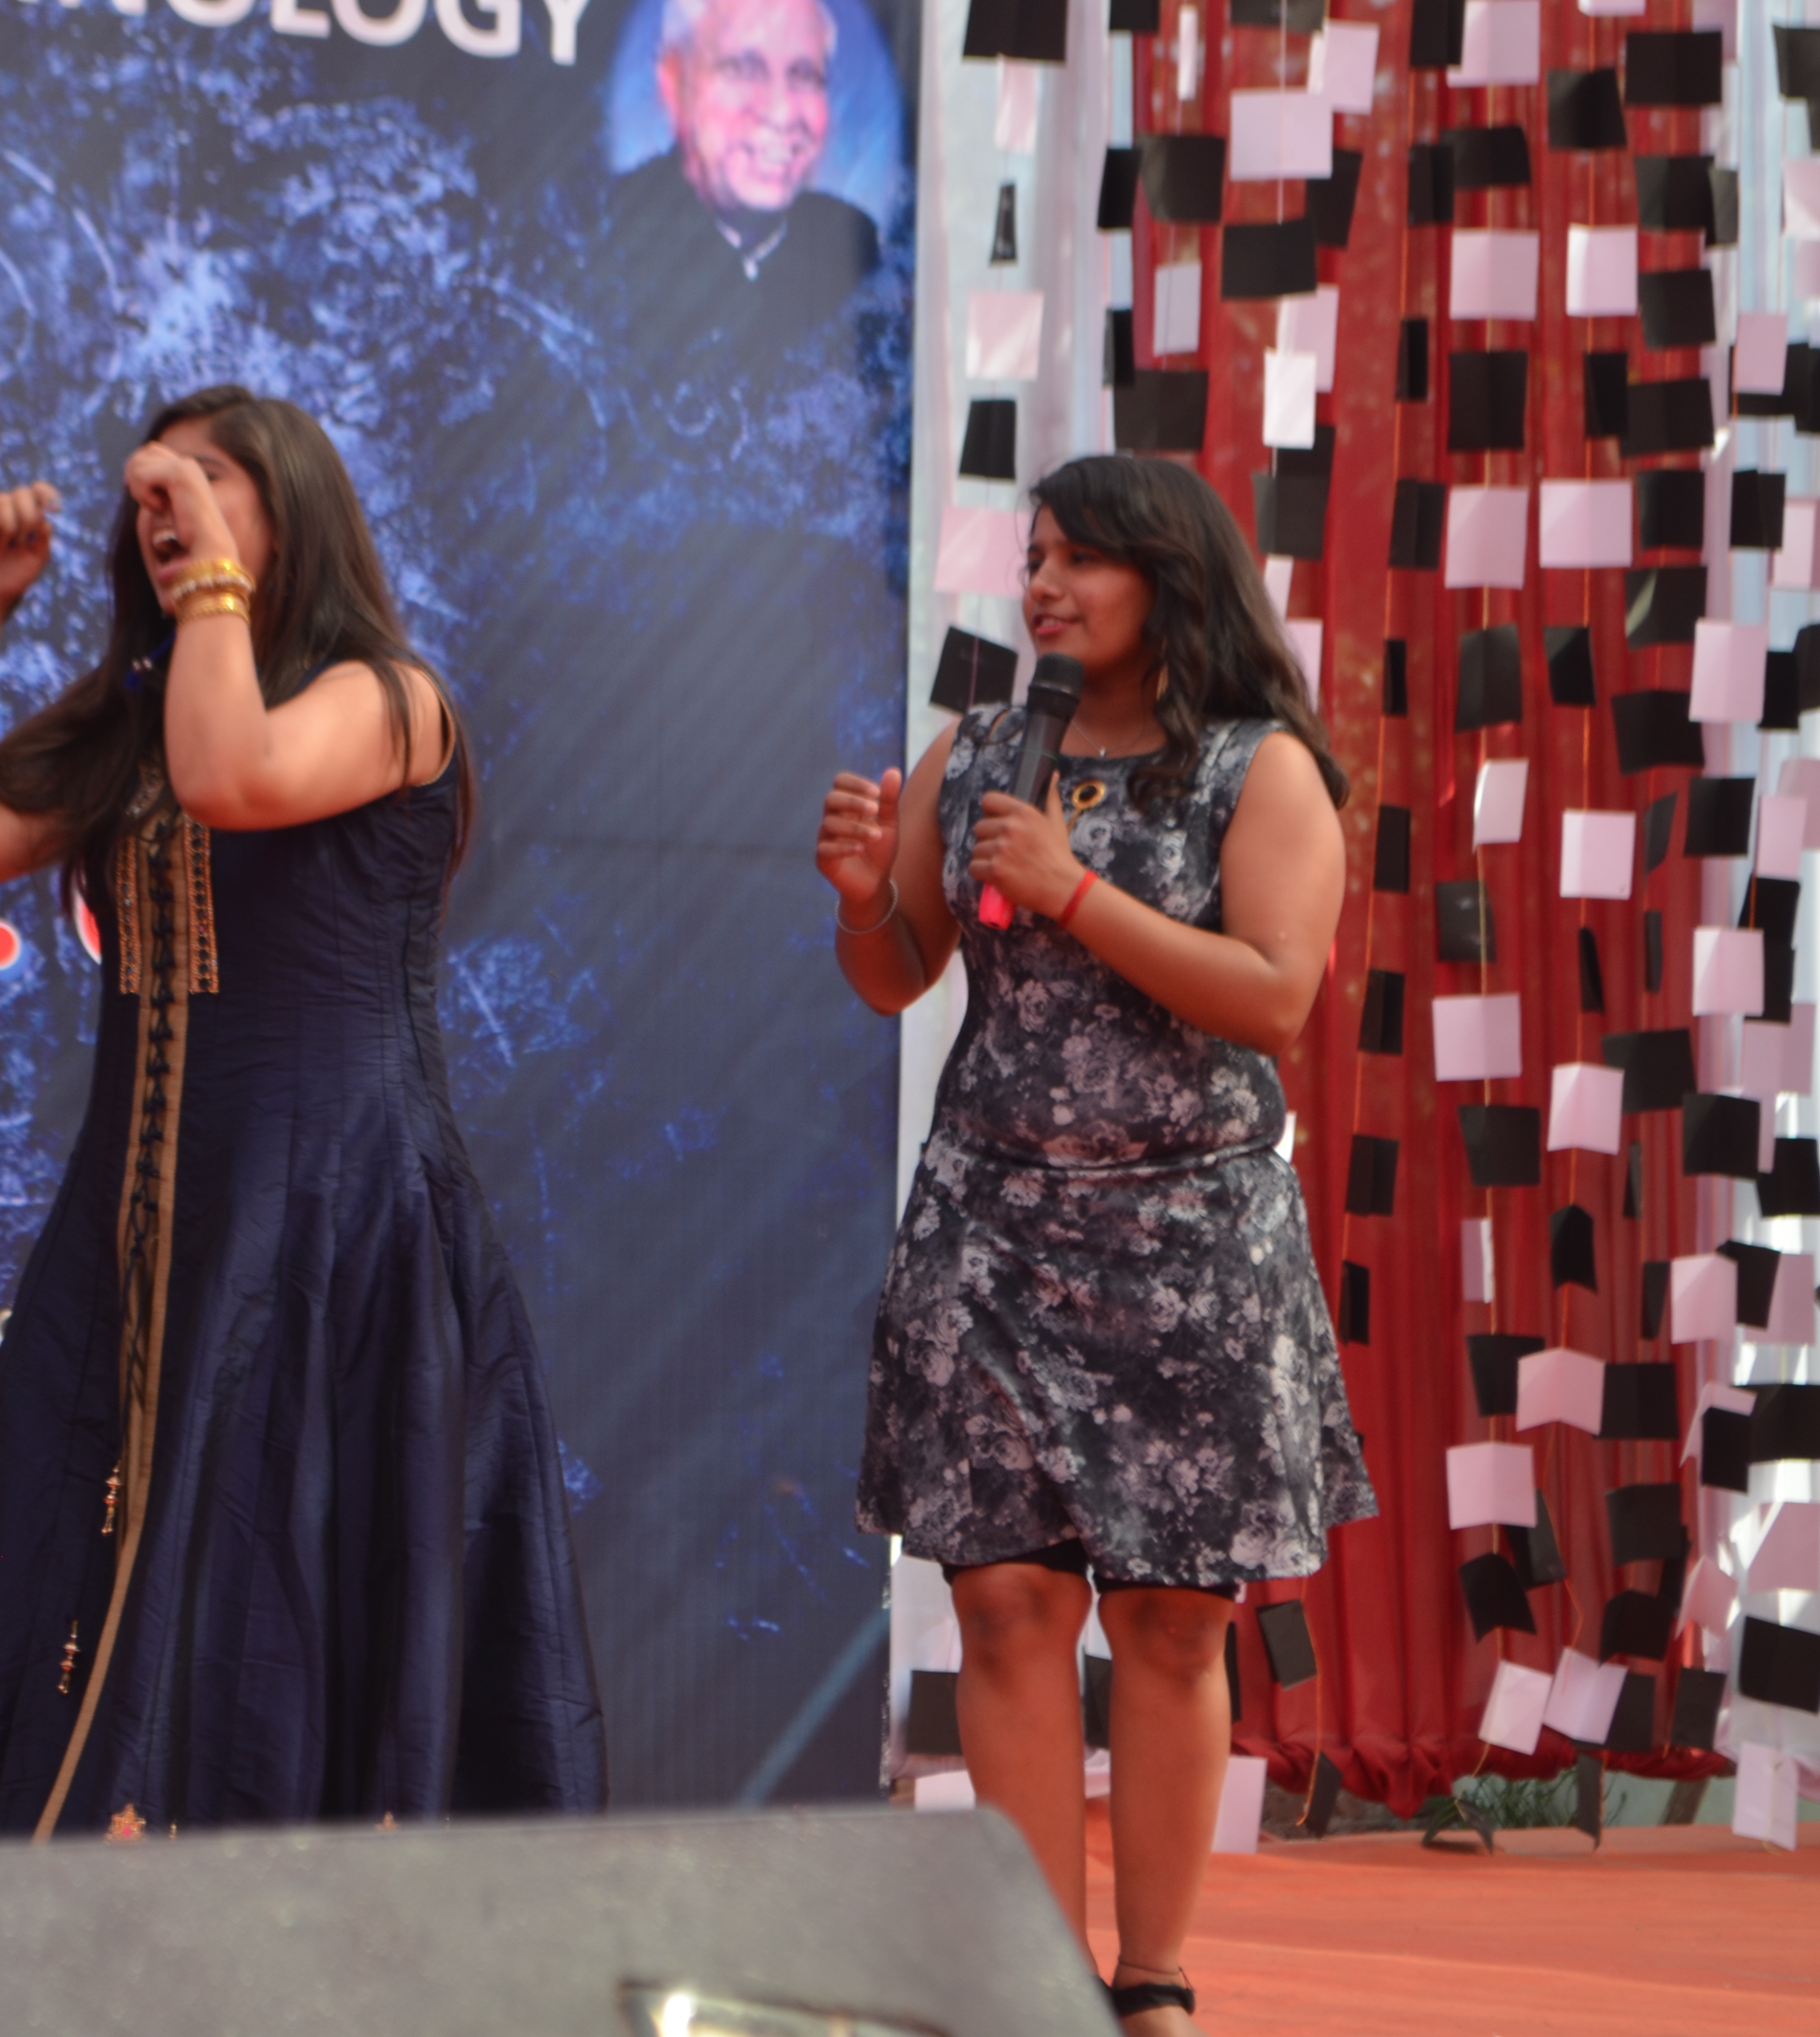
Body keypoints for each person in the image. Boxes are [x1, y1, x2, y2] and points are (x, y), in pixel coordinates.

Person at [0, 386, 606, 1840]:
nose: (168, 509)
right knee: (89, 1544)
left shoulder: (386, 698)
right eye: (154, 495)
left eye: (212, 482)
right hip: (144, 1218)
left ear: (292, 507)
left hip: (331, 1217)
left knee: (272, 1563)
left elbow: (232, 777)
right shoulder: (143, 711)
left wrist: (209, 579)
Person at [815, 456, 1373, 2035]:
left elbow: (1272, 996)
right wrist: (862, 900)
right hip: (990, 1231)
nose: (1044, 587)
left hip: (1192, 1241)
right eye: (1037, 558)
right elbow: (897, 975)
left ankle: (1153, 1978)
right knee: (1005, 1605)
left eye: (1082, 560)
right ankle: (1039, 1983)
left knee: (1170, 1619)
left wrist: (1070, 891)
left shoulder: (1261, 769)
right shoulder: (983, 752)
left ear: (1170, 579)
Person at [605, 0, 879, 370]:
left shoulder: (851, 246)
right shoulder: (609, 237)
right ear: (674, 84)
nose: (781, 112)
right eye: (743, 71)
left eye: (805, 76)